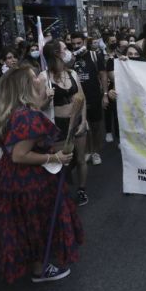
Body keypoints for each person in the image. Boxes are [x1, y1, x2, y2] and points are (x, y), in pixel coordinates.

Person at [0, 66, 82, 283]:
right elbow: (20, 155)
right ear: (26, 85)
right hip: (28, 182)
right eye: (34, 77)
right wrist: (54, 158)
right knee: (36, 223)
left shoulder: (10, 110)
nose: (39, 78)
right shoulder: (27, 116)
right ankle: (40, 269)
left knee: (20, 222)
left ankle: (20, 259)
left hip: (10, 179)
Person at [39, 40, 89, 206]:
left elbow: (82, 98)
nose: (69, 51)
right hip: (58, 125)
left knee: (80, 159)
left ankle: (81, 190)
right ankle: (62, 194)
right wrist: (48, 98)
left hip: (77, 121)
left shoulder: (72, 73)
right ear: (56, 54)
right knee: (62, 161)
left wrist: (83, 121)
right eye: (65, 49)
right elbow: (37, 108)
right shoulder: (43, 77)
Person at [71, 32, 108, 165]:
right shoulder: (70, 58)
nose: (76, 46)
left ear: (85, 42)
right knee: (81, 127)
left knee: (95, 126)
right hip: (77, 99)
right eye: (74, 44)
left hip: (94, 97)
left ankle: (95, 151)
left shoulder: (94, 56)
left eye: (79, 43)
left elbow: (103, 75)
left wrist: (105, 95)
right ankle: (86, 150)